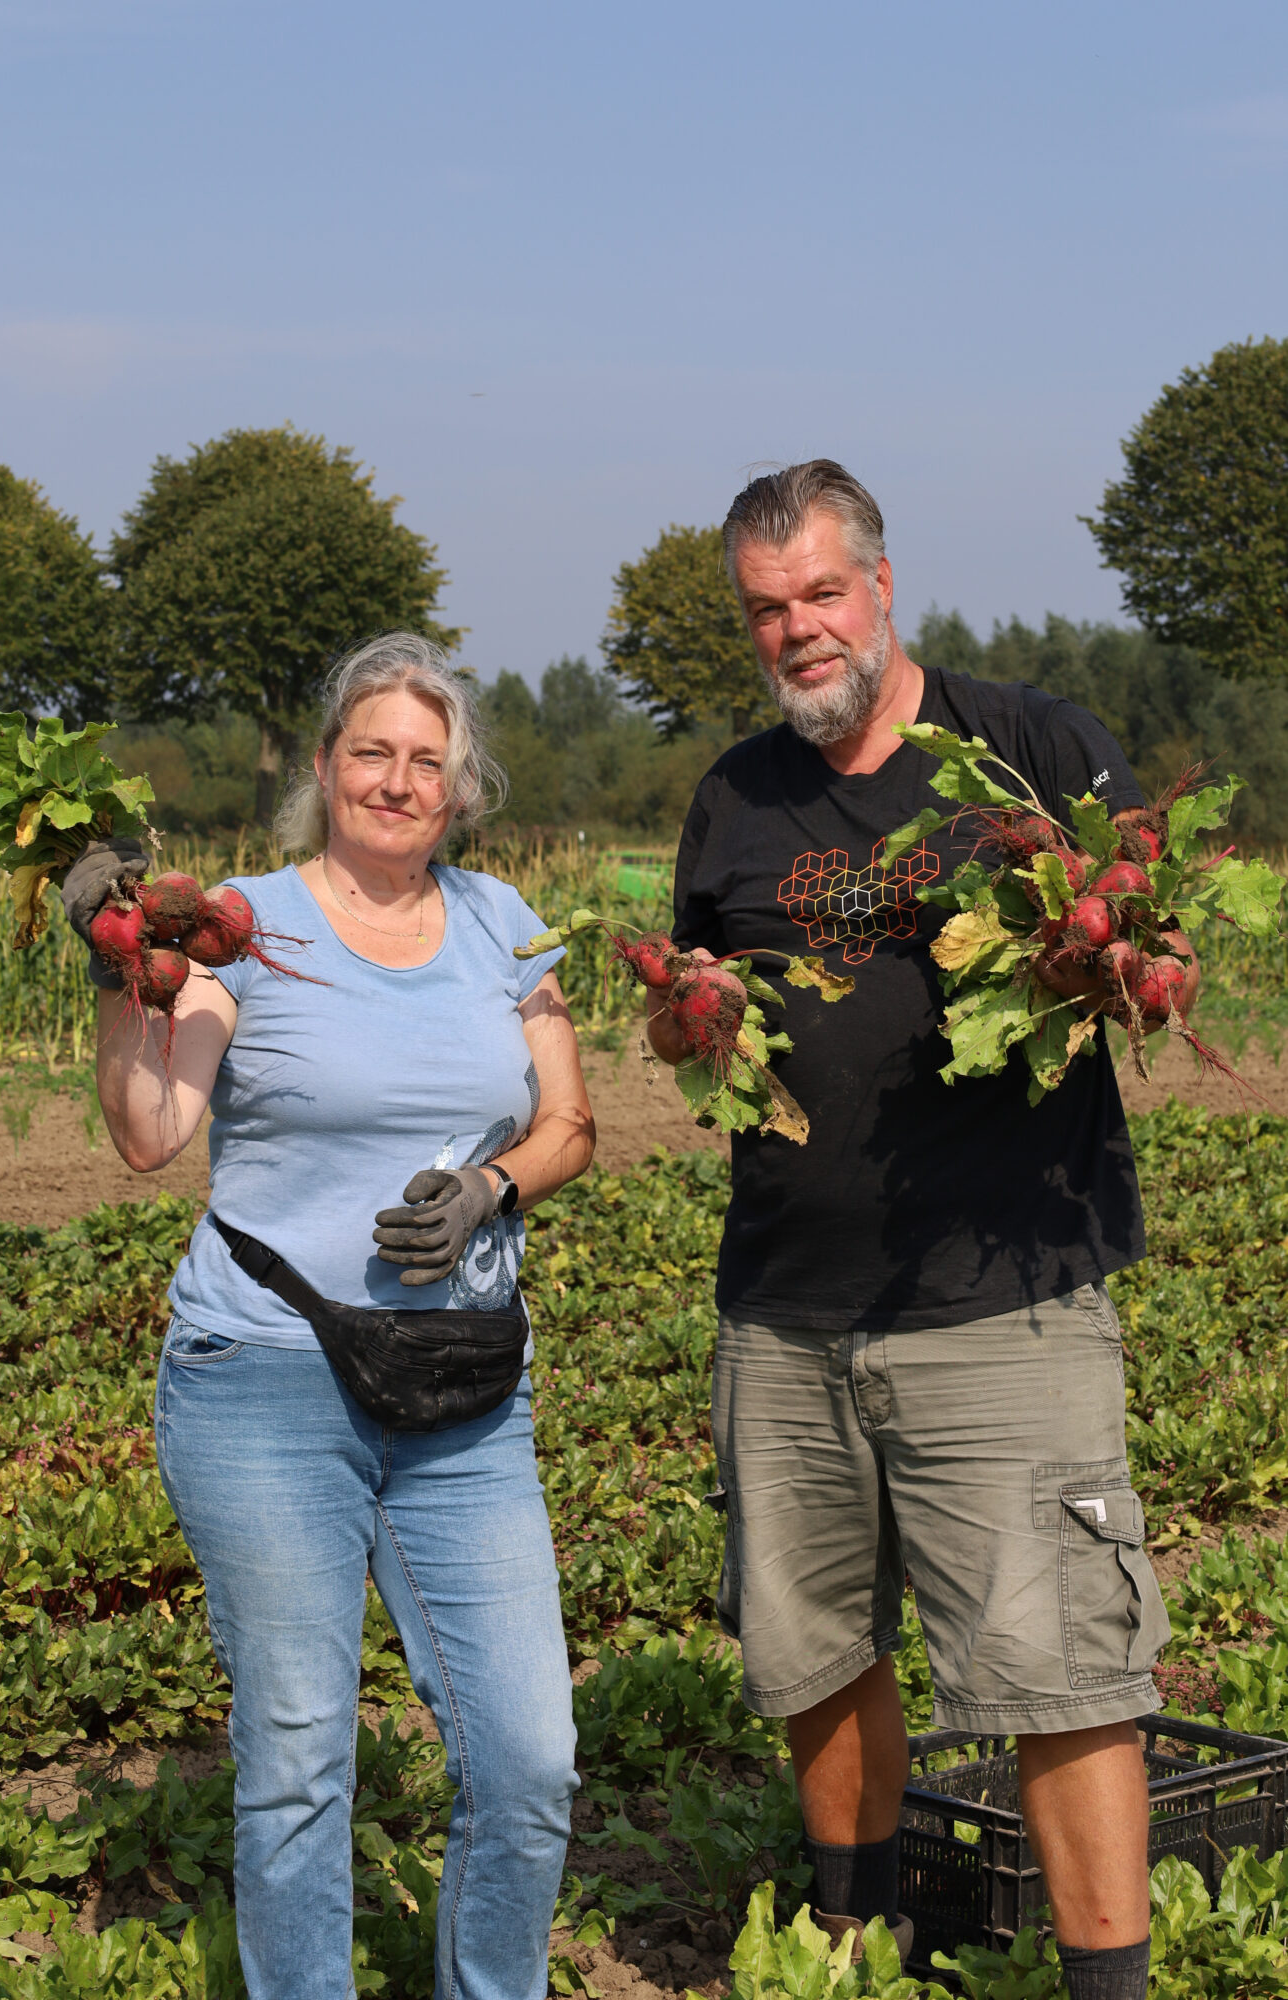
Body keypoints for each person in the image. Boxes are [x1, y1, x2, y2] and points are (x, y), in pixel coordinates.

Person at [647, 462, 1178, 2000]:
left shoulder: (1024, 747)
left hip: (999, 1295)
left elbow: (1143, 927)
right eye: (765, 611)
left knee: (1059, 1670)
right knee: (814, 1654)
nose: (797, 631)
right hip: (785, 1304)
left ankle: (1107, 1987)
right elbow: (700, 1009)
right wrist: (696, 1023)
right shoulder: (731, 796)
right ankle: (848, 1936)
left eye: (820, 594)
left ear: (881, 585)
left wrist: (1107, 949)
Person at [63, 633, 595, 2000]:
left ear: (459, 786)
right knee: (299, 1754)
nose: (398, 782)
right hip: (265, 1380)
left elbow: (568, 1123)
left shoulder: (502, 919)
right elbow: (149, 1132)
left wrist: (490, 1183)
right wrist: (125, 968)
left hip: (462, 1386)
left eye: (427, 761)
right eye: (373, 752)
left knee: (528, 1754)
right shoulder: (240, 920)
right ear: (324, 766)